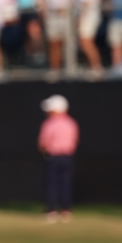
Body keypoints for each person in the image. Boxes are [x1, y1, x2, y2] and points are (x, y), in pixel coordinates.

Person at [38, 95, 79, 224]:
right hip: (68, 157)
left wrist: (44, 150)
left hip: (53, 157)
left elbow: (43, 143)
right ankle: (66, 210)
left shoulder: (49, 123)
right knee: (65, 183)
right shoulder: (71, 123)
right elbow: (74, 141)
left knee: (52, 183)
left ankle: (51, 210)